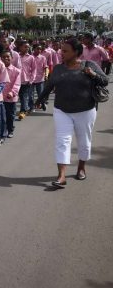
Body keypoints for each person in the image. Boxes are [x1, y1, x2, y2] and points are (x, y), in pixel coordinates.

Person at [35, 38, 108, 188]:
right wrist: (39, 100)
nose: (62, 53)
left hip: (86, 110)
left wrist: (93, 74)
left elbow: (105, 80)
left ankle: (81, 167)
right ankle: (61, 176)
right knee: (62, 141)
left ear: (76, 52)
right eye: (61, 50)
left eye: (66, 51)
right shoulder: (58, 68)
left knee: (84, 142)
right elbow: (49, 86)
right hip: (62, 110)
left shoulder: (89, 65)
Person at [1, 51, 21, 138]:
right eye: (4, 57)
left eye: (8, 57)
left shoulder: (16, 71)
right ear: (1, 58)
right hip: (0, 97)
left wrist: (12, 92)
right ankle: (3, 131)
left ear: (12, 58)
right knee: (2, 116)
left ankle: (10, 129)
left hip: (11, 98)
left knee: (11, 115)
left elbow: (17, 84)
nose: (6, 58)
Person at [17, 41, 36, 120]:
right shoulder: (16, 56)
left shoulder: (31, 57)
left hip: (26, 80)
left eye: (28, 47)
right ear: (20, 47)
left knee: (24, 96)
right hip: (15, 80)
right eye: (25, 47)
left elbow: (34, 69)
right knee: (15, 97)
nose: (27, 48)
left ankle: (23, 111)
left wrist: (31, 80)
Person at [29, 44, 48, 111]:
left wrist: (46, 75)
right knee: (31, 95)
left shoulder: (43, 58)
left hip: (40, 78)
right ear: (33, 49)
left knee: (41, 94)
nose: (39, 50)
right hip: (31, 79)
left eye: (40, 49)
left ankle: (42, 104)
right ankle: (31, 107)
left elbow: (45, 67)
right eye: (37, 49)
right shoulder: (30, 57)